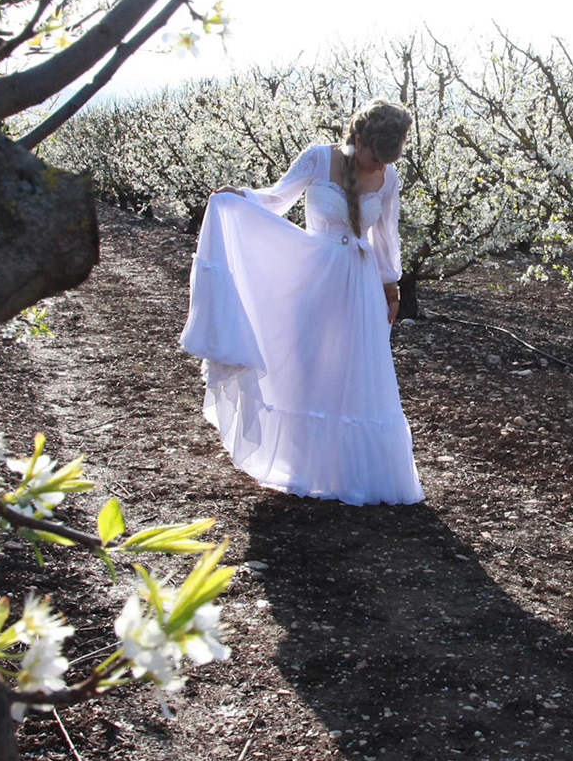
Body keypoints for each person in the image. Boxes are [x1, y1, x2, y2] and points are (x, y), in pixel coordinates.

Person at [178, 98, 424, 505]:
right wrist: (238, 197)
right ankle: (304, 464)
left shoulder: (388, 176)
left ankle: (351, 470)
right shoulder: (318, 158)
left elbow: (386, 238)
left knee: (355, 371)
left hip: (360, 285)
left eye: (386, 159)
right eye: (374, 156)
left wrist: (390, 287)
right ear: (358, 138)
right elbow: (276, 200)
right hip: (314, 276)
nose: (378, 166)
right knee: (306, 364)